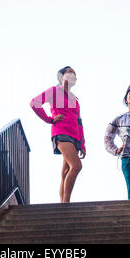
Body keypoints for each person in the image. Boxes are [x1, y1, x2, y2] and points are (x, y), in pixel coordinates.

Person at [30, 66, 86, 203]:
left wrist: (82, 144)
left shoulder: (75, 99)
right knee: (77, 166)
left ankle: (62, 203)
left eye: (74, 73)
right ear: (61, 76)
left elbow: (79, 122)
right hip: (61, 132)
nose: (72, 74)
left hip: (75, 137)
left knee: (66, 170)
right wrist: (49, 119)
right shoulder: (54, 91)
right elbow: (34, 103)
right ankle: (65, 203)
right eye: (69, 71)